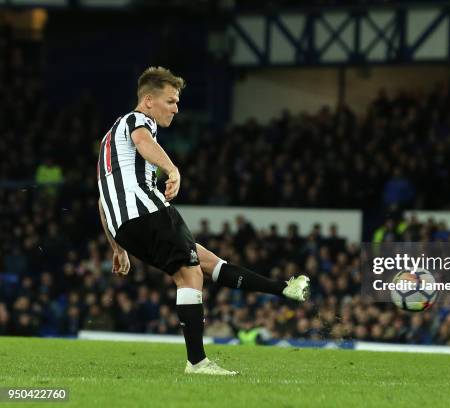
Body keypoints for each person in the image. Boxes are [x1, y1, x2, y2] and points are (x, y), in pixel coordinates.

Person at [97, 66, 310, 375]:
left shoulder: (107, 142)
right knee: (189, 275)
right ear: (147, 101)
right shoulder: (136, 121)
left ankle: (283, 289)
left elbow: (103, 200)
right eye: (170, 101)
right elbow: (143, 141)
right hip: (146, 210)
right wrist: (173, 169)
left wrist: (117, 247)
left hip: (124, 226)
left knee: (208, 263)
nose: (176, 108)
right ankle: (197, 362)